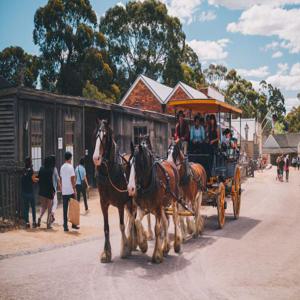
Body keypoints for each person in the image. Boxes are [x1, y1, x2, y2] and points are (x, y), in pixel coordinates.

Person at [60, 151, 78, 232]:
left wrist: (61, 188)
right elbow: (72, 179)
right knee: (73, 208)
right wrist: (74, 189)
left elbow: (61, 179)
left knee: (65, 209)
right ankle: (74, 224)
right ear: (70, 158)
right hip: (70, 191)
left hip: (64, 191)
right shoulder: (71, 167)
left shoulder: (62, 167)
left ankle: (65, 226)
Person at [37, 156, 55, 229]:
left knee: (43, 206)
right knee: (49, 209)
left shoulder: (41, 168)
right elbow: (50, 182)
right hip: (48, 191)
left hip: (42, 191)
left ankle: (39, 217)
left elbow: (38, 178)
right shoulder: (50, 170)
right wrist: (53, 190)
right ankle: (48, 224)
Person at [21, 157, 38, 228]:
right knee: (33, 207)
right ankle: (34, 222)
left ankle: (27, 222)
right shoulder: (31, 171)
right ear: (30, 163)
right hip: (31, 192)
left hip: (24, 191)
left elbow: (22, 180)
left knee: (26, 207)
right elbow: (34, 180)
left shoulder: (23, 171)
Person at [50, 155, 61, 224]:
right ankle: (52, 214)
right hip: (53, 188)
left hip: (47, 188)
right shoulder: (54, 169)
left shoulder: (47, 168)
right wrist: (60, 186)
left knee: (50, 203)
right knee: (55, 202)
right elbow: (58, 179)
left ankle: (51, 216)